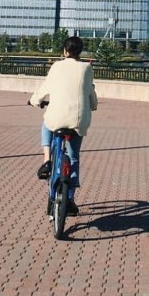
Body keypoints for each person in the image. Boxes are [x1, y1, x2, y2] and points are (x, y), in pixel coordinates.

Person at [30, 36, 97, 216]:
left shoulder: (57, 66)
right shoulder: (87, 68)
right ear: (80, 52)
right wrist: (94, 105)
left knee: (46, 124)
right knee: (74, 157)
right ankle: (70, 199)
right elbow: (90, 92)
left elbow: (46, 87)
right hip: (78, 120)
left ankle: (46, 161)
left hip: (56, 118)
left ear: (65, 51)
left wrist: (34, 100)